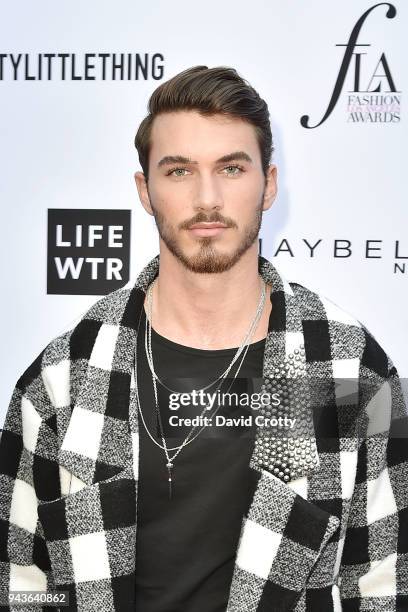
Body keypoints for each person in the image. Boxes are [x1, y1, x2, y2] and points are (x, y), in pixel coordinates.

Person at [0, 65, 407, 612]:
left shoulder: (345, 368)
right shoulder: (65, 376)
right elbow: (22, 582)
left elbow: (381, 586)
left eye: (232, 168)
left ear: (270, 184)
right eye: (179, 171)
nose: (207, 198)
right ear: (145, 191)